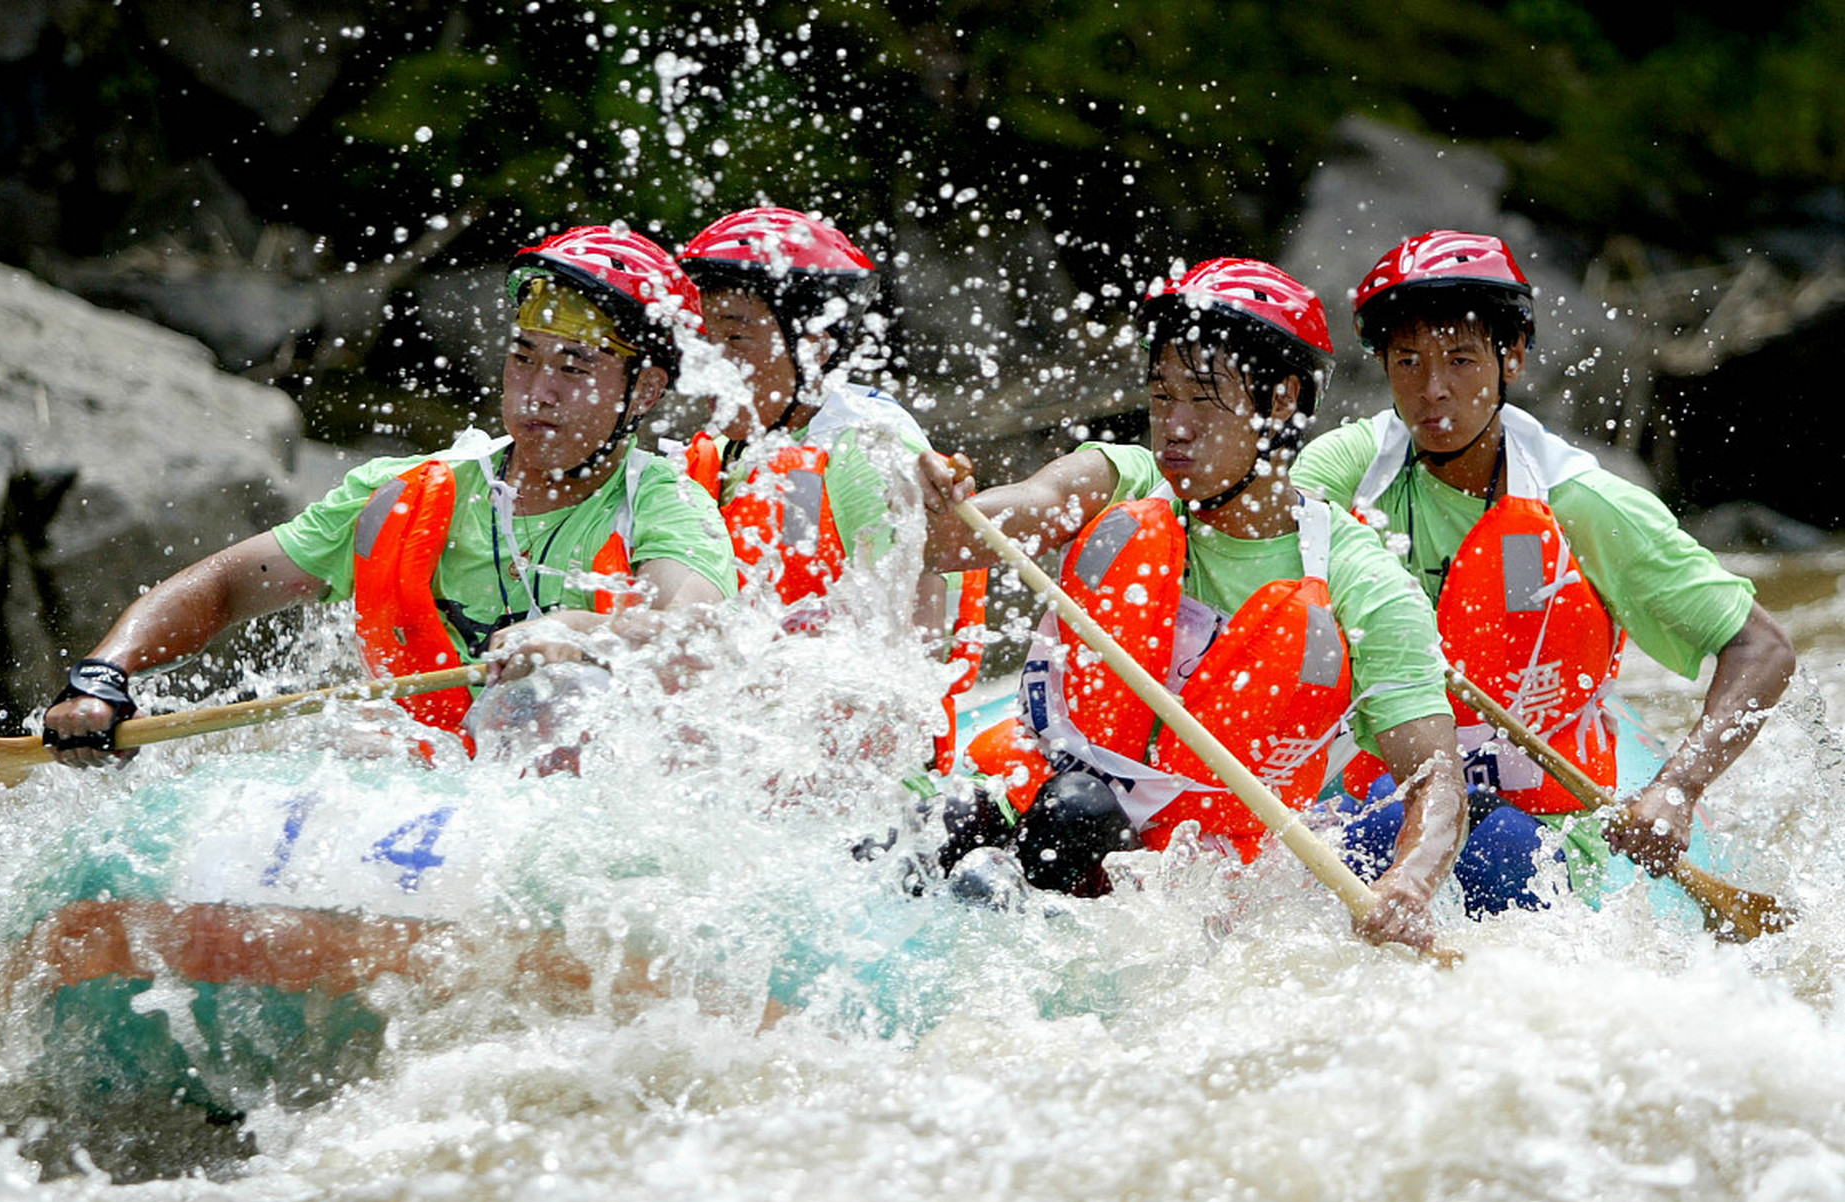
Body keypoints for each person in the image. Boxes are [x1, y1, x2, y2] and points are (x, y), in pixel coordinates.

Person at [920, 258, 1467, 952]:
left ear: (1279, 400)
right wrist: (946, 501)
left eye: (1202, 400)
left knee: (1075, 814)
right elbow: (994, 523)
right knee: (948, 815)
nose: (1172, 426)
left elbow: (1434, 780)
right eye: (1160, 397)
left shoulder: (1363, 584)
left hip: (1190, 887)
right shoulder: (1122, 480)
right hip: (1049, 807)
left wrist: (1408, 885)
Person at [42, 224, 737, 765]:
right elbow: (224, 586)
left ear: (643, 391)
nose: (539, 390)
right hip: (412, 780)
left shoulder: (665, 505)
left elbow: (696, 634)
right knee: (351, 745)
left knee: (562, 695)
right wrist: (103, 674)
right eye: (523, 356)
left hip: (561, 814)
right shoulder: (402, 493)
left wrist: (577, 634)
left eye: (573, 366)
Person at [1289, 229, 1797, 903]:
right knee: (1354, 828)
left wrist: (1674, 789)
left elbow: (1761, 646)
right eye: (1407, 361)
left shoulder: (1581, 502)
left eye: (1461, 360)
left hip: (1542, 823)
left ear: (1514, 359)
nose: (1432, 390)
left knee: (1495, 850)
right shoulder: (1345, 470)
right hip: (1388, 786)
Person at [674, 206, 987, 771]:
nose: (709, 366)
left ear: (816, 345)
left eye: (735, 340)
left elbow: (906, 665)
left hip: (858, 778)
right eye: (704, 341)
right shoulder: (725, 457)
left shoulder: (867, 450)